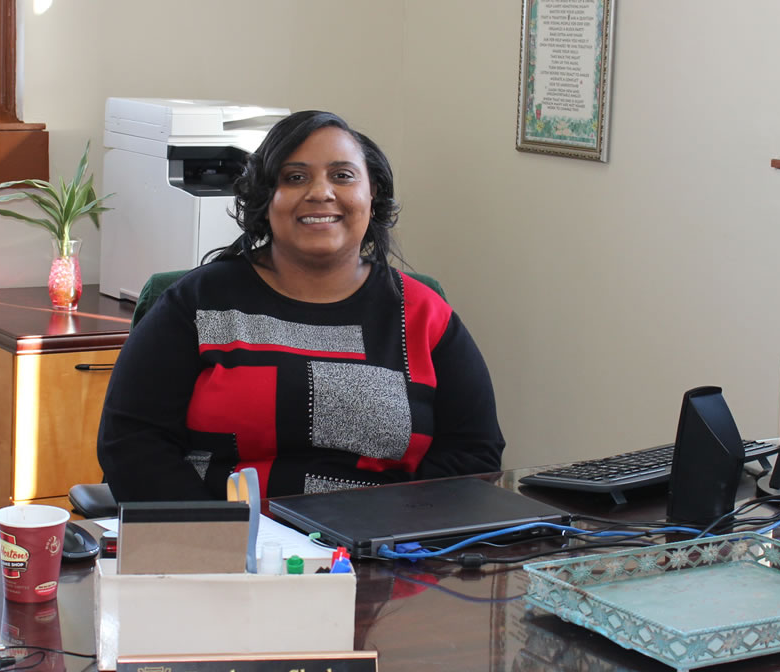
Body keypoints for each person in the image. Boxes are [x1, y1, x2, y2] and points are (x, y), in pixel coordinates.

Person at [97, 110, 504, 501]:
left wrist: (392, 531)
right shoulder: (197, 303)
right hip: (224, 547)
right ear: (266, 197)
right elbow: (132, 441)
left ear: (372, 193)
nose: (320, 192)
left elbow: (473, 452)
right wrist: (214, 540)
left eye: (342, 176)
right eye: (294, 177)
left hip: (380, 552)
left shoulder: (422, 313)